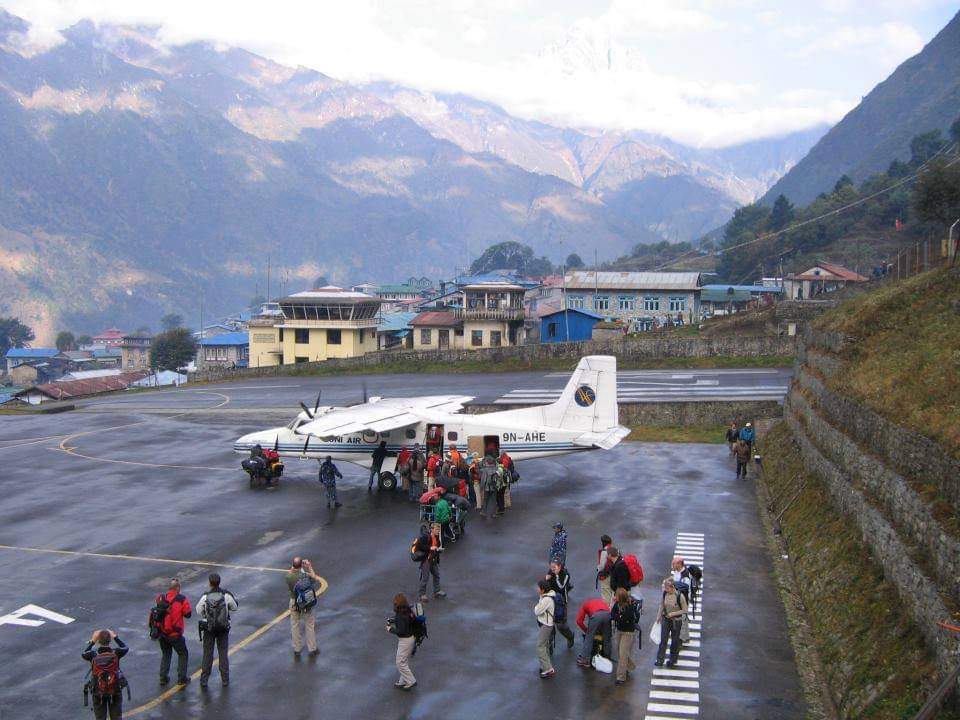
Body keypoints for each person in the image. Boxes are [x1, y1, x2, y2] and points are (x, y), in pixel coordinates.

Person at [197, 573, 238, 688]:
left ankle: (204, 679)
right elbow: (235, 607)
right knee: (223, 653)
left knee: (207, 653)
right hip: (223, 628)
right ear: (219, 582)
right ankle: (225, 679)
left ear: (210, 583)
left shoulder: (205, 596)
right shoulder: (226, 595)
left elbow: (198, 610)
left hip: (209, 628)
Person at [82, 629, 129, 719]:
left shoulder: (93, 655)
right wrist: (115, 637)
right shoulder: (116, 653)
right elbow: (125, 648)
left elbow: (84, 653)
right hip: (114, 689)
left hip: (98, 691)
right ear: (109, 640)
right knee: (116, 717)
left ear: (99, 641)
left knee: (100, 717)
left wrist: (92, 641)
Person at [155, 578, 191, 687]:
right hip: (175, 634)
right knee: (182, 653)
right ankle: (181, 678)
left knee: (166, 654)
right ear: (178, 588)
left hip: (162, 634)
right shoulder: (181, 599)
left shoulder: (162, 598)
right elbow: (188, 614)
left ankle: (163, 677)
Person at [286, 557, 321, 657]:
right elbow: (314, 578)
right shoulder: (305, 575)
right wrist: (308, 567)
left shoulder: (289, 577)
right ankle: (312, 648)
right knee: (309, 625)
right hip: (306, 602)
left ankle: (297, 649)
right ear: (301, 565)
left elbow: (291, 571)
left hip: (294, 602)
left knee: (295, 625)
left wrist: (297, 566)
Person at [387, 593, 417, 691]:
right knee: (404, 661)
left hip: (405, 641)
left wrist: (390, 629)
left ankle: (411, 681)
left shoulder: (399, 616)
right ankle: (402, 680)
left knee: (400, 662)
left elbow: (400, 631)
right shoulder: (408, 611)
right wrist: (393, 620)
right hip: (411, 638)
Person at [655, 577, 688, 667]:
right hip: (666, 619)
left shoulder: (679, 596)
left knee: (675, 641)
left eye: (667, 588)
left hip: (677, 621)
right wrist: (659, 616)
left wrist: (673, 613)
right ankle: (660, 659)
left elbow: (685, 610)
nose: (666, 589)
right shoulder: (665, 594)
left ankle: (672, 660)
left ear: (672, 587)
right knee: (663, 640)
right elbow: (662, 605)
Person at [610, 588, 640, 684]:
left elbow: (625, 617)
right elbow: (613, 615)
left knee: (622, 654)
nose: (614, 598)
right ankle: (630, 666)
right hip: (619, 630)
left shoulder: (630, 606)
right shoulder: (617, 605)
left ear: (620, 597)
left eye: (616, 596)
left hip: (628, 632)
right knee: (619, 651)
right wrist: (620, 617)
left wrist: (619, 617)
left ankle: (620, 676)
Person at [575, 597, 612, 668]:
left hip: (596, 615)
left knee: (589, 637)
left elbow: (579, 621)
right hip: (607, 614)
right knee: (607, 638)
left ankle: (585, 660)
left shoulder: (584, 605)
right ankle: (607, 657)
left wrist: (586, 630)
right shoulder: (601, 602)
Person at [546, 559, 575, 649]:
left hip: (561, 601)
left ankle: (570, 636)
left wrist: (556, 576)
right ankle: (550, 642)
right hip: (550, 600)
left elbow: (561, 587)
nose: (552, 569)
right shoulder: (551, 571)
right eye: (551, 567)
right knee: (549, 623)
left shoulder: (565, 575)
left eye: (554, 567)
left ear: (560, 567)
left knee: (560, 625)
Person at [415, 524, 446, 601]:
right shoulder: (426, 537)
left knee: (436, 575)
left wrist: (438, 549)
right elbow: (420, 546)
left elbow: (436, 545)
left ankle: (437, 591)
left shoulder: (436, 537)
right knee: (425, 577)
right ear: (432, 529)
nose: (438, 531)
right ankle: (422, 594)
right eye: (436, 530)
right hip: (426, 560)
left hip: (433, 559)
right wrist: (430, 548)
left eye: (438, 530)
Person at [534, 579, 556, 678]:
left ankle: (548, 669)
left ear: (543, 590)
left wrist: (537, 607)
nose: (537, 589)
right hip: (545, 624)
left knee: (540, 646)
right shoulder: (545, 597)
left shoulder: (546, 599)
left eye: (538, 587)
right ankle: (545, 666)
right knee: (545, 645)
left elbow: (537, 611)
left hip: (546, 626)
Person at [596, 535, 614, 606]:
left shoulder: (604, 552)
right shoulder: (614, 550)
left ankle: (607, 611)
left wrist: (598, 568)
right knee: (612, 593)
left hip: (606, 576)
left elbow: (602, 566)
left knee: (606, 594)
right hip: (613, 575)